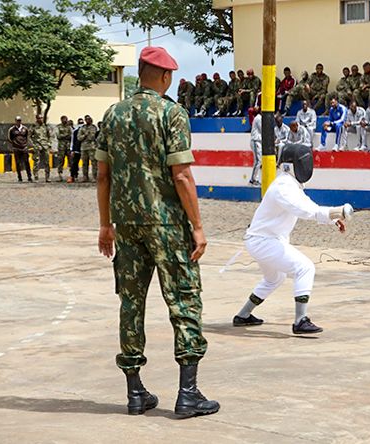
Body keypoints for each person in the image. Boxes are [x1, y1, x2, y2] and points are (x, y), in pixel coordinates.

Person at [95, 46, 219, 417]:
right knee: (184, 302)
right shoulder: (171, 113)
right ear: (165, 77)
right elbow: (181, 175)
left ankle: (135, 393)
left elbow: (103, 176)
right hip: (166, 225)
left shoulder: (112, 114)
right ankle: (188, 393)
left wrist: (105, 225)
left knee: (131, 303)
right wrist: (197, 226)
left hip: (126, 225)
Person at [232, 143, 353, 334]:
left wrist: (332, 218)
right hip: (264, 242)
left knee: (274, 279)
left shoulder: (290, 184)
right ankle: (300, 321)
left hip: (264, 241)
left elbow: (307, 204)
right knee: (305, 268)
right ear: (293, 164)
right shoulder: (283, 187)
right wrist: (336, 212)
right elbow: (304, 210)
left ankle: (243, 315)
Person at [29, 114, 54, 183]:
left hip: (45, 146)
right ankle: (36, 177)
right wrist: (33, 145)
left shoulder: (46, 126)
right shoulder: (33, 127)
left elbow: (50, 136)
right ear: (36, 119)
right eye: (39, 118)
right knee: (36, 162)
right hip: (37, 146)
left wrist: (49, 144)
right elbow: (29, 136)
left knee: (47, 162)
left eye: (41, 118)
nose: (40, 119)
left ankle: (47, 177)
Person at [8, 116, 32, 183]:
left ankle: (29, 177)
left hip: (24, 148)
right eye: (17, 120)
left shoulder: (25, 129)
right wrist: (14, 144)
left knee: (26, 162)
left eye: (20, 120)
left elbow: (27, 137)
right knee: (18, 163)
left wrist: (25, 145)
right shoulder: (12, 129)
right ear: (15, 121)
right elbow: (10, 138)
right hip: (16, 148)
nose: (19, 122)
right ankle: (20, 178)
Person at [77, 115, 98, 182]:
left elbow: (92, 137)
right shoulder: (82, 128)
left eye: (89, 119)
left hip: (92, 147)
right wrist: (85, 135)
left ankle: (94, 177)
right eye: (86, 119)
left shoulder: (93, 128)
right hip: (84, 148)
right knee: (84, 163)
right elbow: (79, 138)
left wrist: (86, 136)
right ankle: (85, 177)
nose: (87, 120)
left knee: (94, 163)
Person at [55, 116, 73, 182]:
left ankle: (71, 175)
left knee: (71, 162)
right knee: (60, 161)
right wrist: (66, 135)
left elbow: (71, 136)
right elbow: (58, 136)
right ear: (61, 120)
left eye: (66, 119)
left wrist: (64, 136)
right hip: (61, 147)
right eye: (63, 119)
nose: (64, 120)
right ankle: (60, 176)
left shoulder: (69, 127)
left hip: (68, 147)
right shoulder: (58, 127)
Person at [249, 108, 263, 186]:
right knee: (258, 161)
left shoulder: (260, 118)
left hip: (258, 141)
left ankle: (255, 179)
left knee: (258, 161)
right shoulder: (258, 118)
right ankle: (253, 179)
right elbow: (263, 130)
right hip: (255, 141)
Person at [69, 117, 84, 183]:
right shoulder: (75, 131)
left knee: (85, 164)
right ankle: (73, 176)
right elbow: (72, 141)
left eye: (82, 123)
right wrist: (72, 150)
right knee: (74, 164)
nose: (81, 124)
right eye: (80, 123)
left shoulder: (85, 130)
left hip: (85, 149)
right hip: (77, 149)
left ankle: (85, 176)